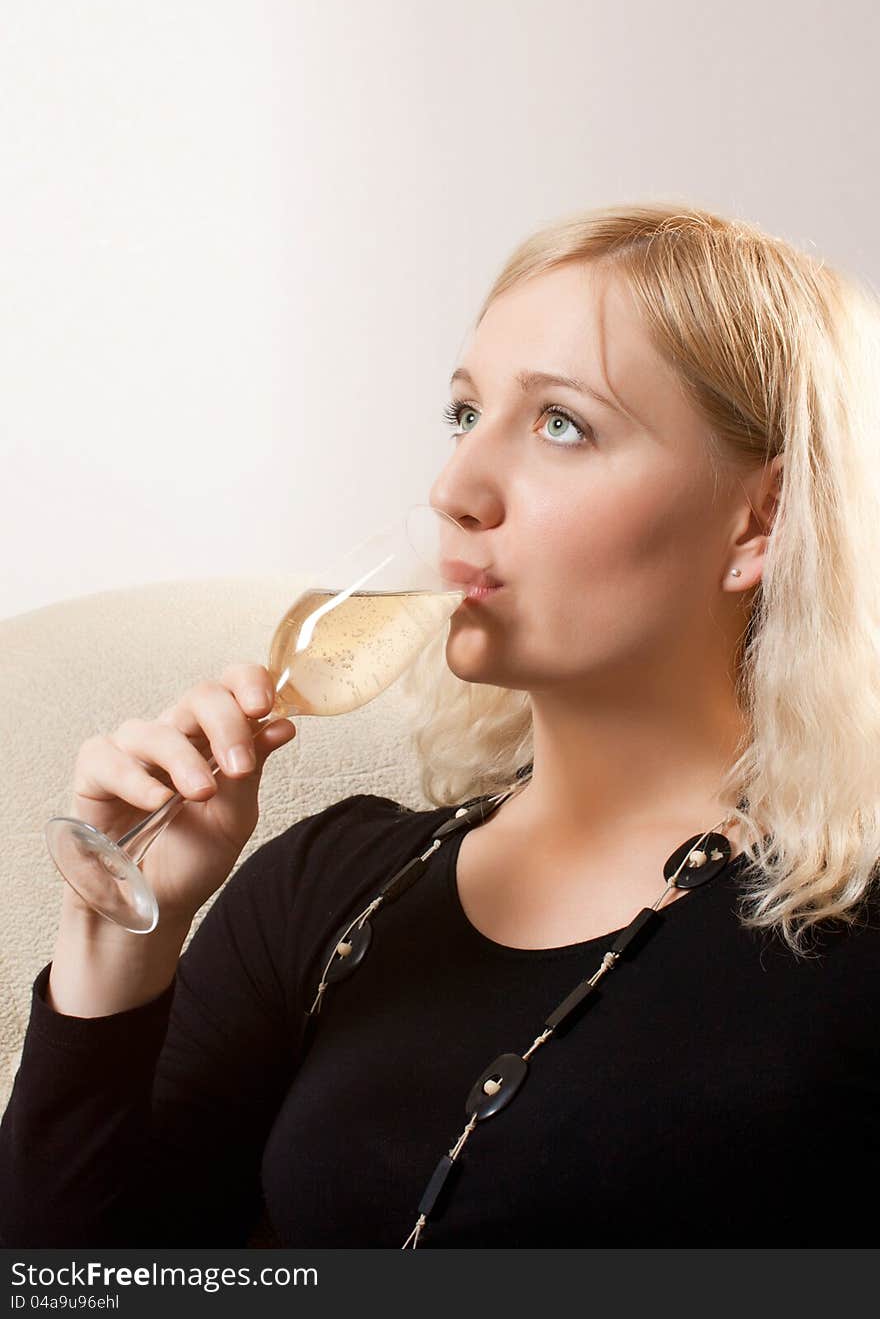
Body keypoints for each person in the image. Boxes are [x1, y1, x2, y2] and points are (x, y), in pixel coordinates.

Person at [2, 201, 880, 1248]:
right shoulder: (329, 885)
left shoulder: (847, 941)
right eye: (466, 414)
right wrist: (113, 933)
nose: (454, 487)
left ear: (759, 523)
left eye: (562, 423)